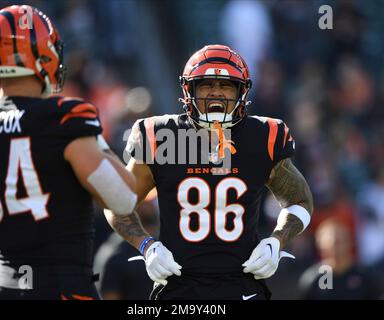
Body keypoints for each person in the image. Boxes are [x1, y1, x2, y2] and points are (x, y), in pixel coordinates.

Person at [0, 5, 137, 300]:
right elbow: (123, 198)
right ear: (41, 55)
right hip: (61, 286)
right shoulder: (61, 118)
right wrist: (98, 141)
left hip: (4, 287)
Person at [104, 44, 314, 300]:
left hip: (242, 286)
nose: (216, 94)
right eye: (206, 85)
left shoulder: (263, 136)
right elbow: (115, 202)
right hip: (178, 287)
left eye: (226, 85)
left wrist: (276, 241)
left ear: (241, 91)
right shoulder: (161, 136)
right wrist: (147, 246)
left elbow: (300, 200)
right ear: (188, 90)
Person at [298, 218, 381, 299]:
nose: (335, 247)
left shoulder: (366, 277)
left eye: (340, 241)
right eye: (332, 242)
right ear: (319, 244)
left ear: (350, 242)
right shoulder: (312, 279)